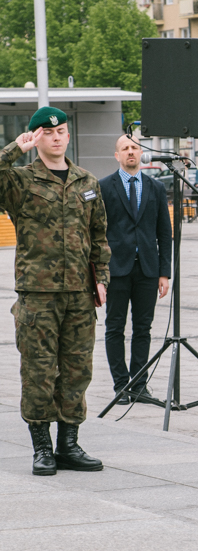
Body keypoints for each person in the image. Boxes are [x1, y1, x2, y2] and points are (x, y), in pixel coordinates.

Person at [0, 107, 109, 476]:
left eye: (62, 130)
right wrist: (15, 148)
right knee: (39, 372)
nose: (57, 137)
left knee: (77, 371)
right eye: (48, 133)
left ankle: (69, 445)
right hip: (38, 295)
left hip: (80, 294)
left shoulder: (87, 181)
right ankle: (42, 448)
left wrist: (102, 278)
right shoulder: (20, 181)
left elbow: (98, 236)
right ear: (36, 138)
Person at [98, 136, 171, 402]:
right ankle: (121, 385)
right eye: (125, 148)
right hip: (116, 270)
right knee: (115, 327)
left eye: (135, 148)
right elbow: (97, 232)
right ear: (117, 155)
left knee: (143, 328)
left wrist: (165, 272)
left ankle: (139, 384)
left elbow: (164, 232)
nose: (131, 152)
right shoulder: (104, 187)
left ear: (141, 153)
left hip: (148, 271)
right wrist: (98, 272)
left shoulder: (156, 188)